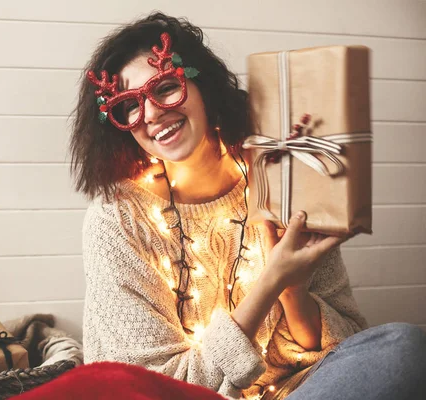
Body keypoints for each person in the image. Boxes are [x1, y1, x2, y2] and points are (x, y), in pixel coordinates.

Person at [70, 12, 426, 400]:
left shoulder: (278, 175)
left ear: (201, 84)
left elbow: (347, 347)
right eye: (128, 107)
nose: (152, 114)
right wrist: (271, 281)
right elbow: (156, 390)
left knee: (403, 347)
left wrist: (293, 290)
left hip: (294, 392)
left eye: (166, 87)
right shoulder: (117, 221)